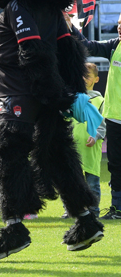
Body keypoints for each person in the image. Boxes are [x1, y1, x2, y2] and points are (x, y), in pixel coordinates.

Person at [70, 17, 121, 220]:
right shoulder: (114, 46)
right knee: (116, 164)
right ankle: (117, 207)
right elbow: (87, 46)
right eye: (118, 24)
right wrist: (69, 26)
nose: (120, 28)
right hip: (115, 116)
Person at [62, 62, 105, 218]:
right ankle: (71, 210)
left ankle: (93, 211)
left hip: (90, 148)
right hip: (73, 146)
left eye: (88, 76)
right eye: (81, 75)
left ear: (96, 79)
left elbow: (102, 124)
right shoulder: (71, 98)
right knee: (71, 181)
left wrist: (95, 137)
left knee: (92, 183)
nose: (84, 79)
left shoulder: (100, 100)